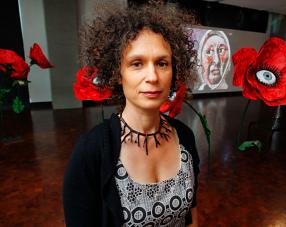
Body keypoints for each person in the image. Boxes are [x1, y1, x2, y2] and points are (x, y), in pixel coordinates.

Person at [63, 3, 200, 227]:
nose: (153, 76)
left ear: (174, 70)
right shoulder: (91, 152)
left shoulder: (184, 137)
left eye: (162, 63)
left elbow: (192, 217)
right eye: (137, 64)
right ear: (118, 73)